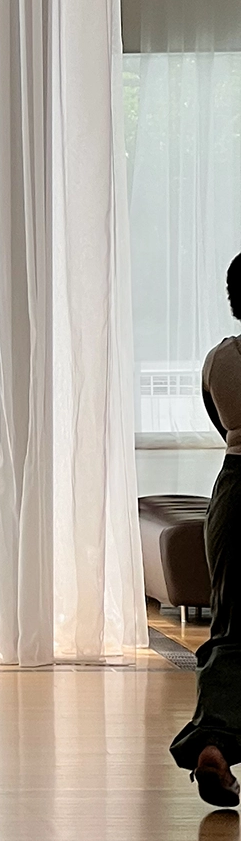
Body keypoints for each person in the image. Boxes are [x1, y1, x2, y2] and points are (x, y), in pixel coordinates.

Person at [170, 255, 241, 808]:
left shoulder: (220, 360)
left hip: (235, 491)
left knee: (230, 626)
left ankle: (213, 743)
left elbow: (223, 425)